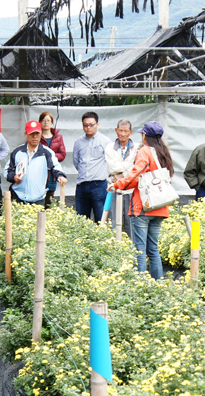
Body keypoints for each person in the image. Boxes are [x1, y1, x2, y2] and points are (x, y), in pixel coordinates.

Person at [108, 121, 174, 280]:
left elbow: (135, 176)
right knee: (153, 249)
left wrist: (117, 185)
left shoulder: (145, 151)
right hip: (160, 205)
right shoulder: (163, 151)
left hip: (143, 206)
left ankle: (140, 286)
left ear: (145, 136)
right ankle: (157, 286)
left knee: (139, 249)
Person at [6, 121, 67, 205]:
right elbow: (8, 170)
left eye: (37, 133)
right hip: (18, 197)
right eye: (31, 134)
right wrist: (13, 177)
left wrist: (60, 176)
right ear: (25, 134)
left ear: (41, 134)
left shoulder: (47, 152)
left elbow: (55, 166)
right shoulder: (17, 151)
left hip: (38, 199)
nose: (34, 136)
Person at [72, 111, 112, 223]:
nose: (88, 127)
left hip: (98, 184)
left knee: (101, 219)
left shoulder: (106, 141)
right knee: (81, 220)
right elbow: (76, 162)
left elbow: (110, 161)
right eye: (85, 125)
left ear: (97, 124)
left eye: (91, 125)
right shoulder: (78, 142)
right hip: (82, 185)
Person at [105, 119, 137, 237]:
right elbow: (112, 167)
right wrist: (129, 168)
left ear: (131, 132)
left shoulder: (137, 147)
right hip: (114, 188)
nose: (123, 134)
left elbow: (137, 168)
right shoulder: (109, 147)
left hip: (131, 190)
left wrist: (122, 174)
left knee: (131, 224)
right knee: (112, 222)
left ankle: (133, 251)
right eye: (120, 130)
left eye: (126, 131)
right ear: (116, 131)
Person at [39, 111, 67, 207]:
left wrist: (50, 157)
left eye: (48, 120)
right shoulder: (36, 136)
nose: (46, 123)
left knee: (49, 200)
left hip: (53, 174)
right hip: (40, 172)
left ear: (52, 123)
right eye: (43, 120)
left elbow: (62, 154)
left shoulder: (58, 137)